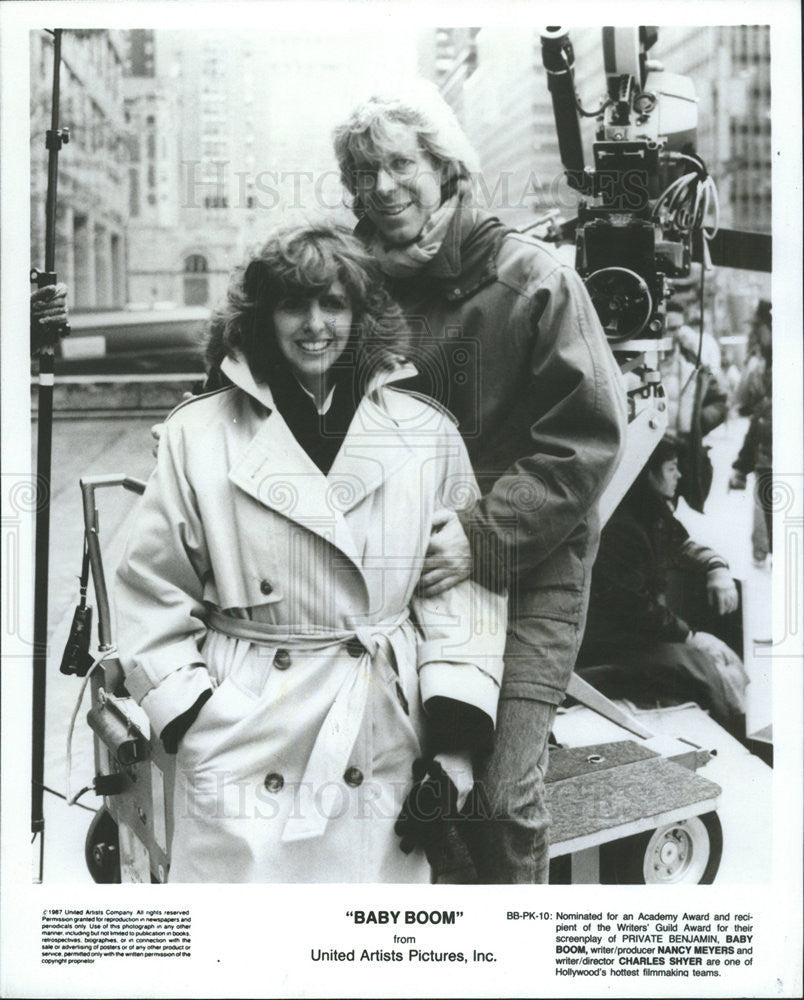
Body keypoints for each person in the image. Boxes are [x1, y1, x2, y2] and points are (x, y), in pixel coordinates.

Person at [115, 223, 506, 883]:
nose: (315, 324)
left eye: (335, 304)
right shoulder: (198, 434)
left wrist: (457, 750)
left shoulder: (425, 432)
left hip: (380, 729)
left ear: (362, 315)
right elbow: (150, 588)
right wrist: (190, 716)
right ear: (263, 317)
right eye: (294, 305)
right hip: (244, 737)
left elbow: (458, 595)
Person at [332, 82, 626, 883]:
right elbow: (286, 363)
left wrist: (481, 537)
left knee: (499, 796)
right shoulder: (354, 288)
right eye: (362, 173)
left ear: (446, 165)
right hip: (406, 563)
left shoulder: (534, 281)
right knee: (400, 782)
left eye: (399, 163)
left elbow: (586, 440)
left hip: (531, 563)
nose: (380, 188)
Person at [576, 437, 749, 733]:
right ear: (648, 473)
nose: (678, 476)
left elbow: (682, 546)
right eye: (671, 469)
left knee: (722, 663)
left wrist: (716, 567)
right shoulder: (623, 527)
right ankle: (729, 731)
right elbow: (633, 607)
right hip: (612, 644)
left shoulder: (649, 513)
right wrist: (690, 636)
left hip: (637, 635)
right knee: (711, 669)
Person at [659, 300, 728, 512]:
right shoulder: (643, 359)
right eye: (671, 328)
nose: (676, 334)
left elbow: (720, 401)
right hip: (648, 452)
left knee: (669, 512)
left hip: (681, 453)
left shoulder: (695, 363)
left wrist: (698, 421)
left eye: (680, 327)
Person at [728, 300, 772, 565]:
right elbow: (750, 411)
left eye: (760, 328)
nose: (757, 334)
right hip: (765, 459)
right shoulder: (761, 364)